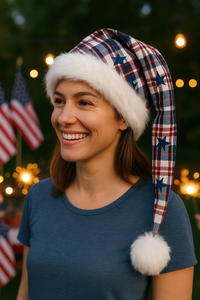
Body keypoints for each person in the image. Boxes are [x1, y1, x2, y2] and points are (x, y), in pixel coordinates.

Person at [16, 28, 197, 300]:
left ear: (123, 117)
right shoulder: (38, 197)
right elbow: (25, 294)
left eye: (84, 102)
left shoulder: (161, 210)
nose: (64, 118)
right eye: (59, 101)